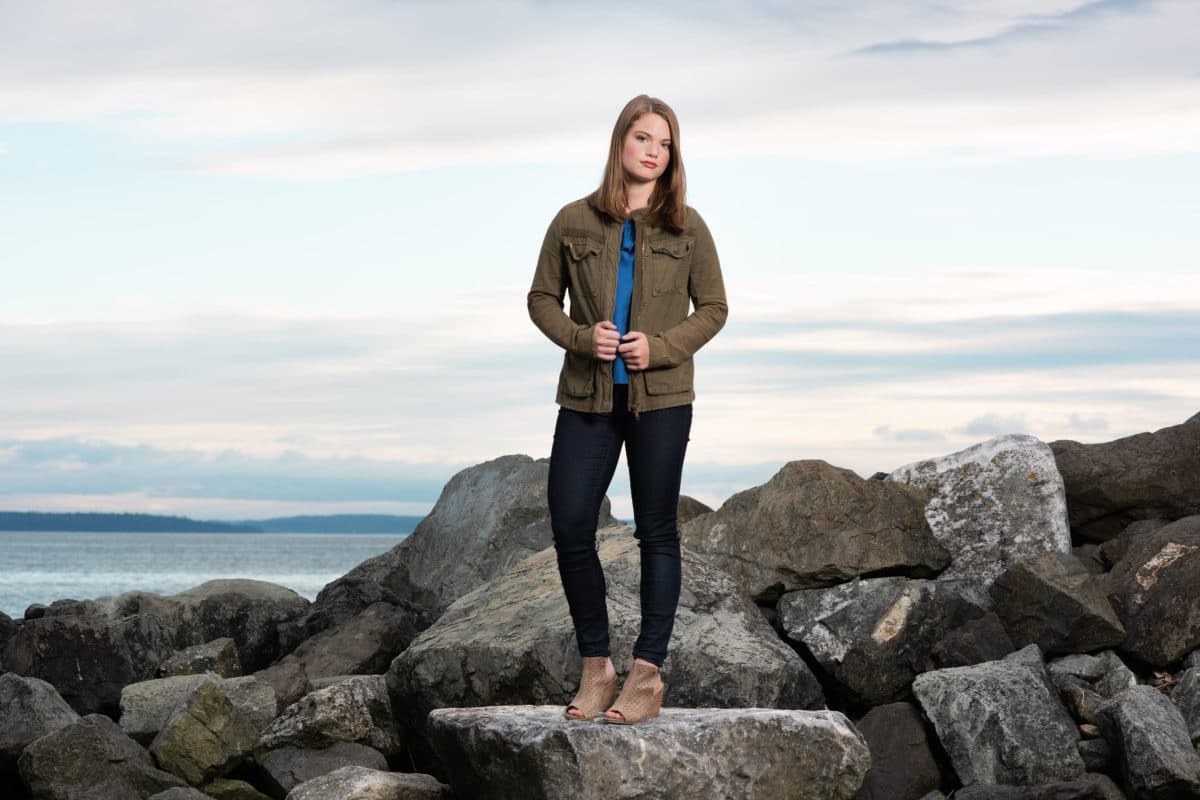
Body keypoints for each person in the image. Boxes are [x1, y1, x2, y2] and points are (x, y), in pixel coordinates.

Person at [526, 94, 728, 725]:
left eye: (664, 143)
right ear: (621, 143)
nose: (653, 151)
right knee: (568, 524)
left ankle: (646, 674)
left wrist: (660, 347)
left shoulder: (688, 227)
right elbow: (540, 300)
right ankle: (596, 668)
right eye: (643, 138)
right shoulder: (571, 221)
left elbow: (715, 309)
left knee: (657, 531)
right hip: (587, 398)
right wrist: (584, 338)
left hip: (662, 400)